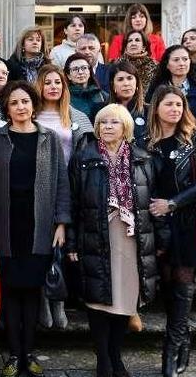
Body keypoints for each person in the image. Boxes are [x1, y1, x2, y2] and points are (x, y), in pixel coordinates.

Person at [67, 103, 164, 377]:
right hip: (95, 235)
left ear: (126, 128)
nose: (108, 127)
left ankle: (115, 354)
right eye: (103, 122)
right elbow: (72, 203)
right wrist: (72, 242)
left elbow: (150, 204)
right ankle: (103, 360)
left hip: (131, 237)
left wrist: (160, 239)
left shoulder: (142, 159)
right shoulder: (83, 158)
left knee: (124, 298)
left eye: (114, 122)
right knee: (98, 299)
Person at [0, 81, 70, 377]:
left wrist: (61, 222)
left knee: (33, 290)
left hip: (40, 223)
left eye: (25, 102)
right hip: (5, 224)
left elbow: (61, 181)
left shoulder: (49, 138)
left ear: (33, 105)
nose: (21, 107)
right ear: (6, 109)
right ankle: (12, 354)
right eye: (14, 103)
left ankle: (30, 352)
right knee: (10, 289)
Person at [146, 85, 196, 377]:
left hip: (185, 220)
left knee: (184, 283)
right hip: (155, 224)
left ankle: (171, 349)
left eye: (178, 104)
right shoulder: (145, 141)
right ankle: (183, 337)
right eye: (168, 104)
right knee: (166, 284)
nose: (174, 109)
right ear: (157, 108)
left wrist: (172, 204)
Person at [146, 45, 196, 136]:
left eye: (185, 59)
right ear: (167, 64)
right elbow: (150, 117)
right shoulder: (156, 89)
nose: (182, 63)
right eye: (176, 60)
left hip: (193, 139)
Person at [34, 64, 93, 165]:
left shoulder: (77, 117)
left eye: (57, 82)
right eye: (47, 83)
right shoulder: (30, 115)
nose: (54, 86)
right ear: (40, 86)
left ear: (63, 86)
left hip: (68, 176)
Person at [106, 61, 148, 146]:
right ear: (112, 84)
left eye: (130, 78)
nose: (126, 83)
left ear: (136, 82)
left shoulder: (149, 111)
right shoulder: (101, 110)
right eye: (120, 79)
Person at [65, 53, 106, 122]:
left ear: (89, 71)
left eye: (84, 68)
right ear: (68, 75)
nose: (80, 72)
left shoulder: (102, 96)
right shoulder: (65, 98)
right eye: (75, 69)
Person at [117, 31, 157, 96]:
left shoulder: (154, 67)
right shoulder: (117, 65)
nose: (133, 43)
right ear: (126, 46)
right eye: (130, 41)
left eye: (137, 40)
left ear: (144, 46)